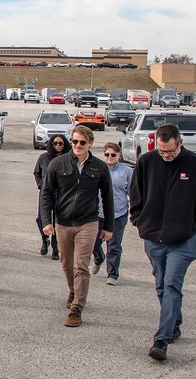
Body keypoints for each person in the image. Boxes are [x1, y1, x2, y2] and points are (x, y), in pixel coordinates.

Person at [130, 124, 196, 361]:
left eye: (170, 151)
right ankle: (174, 322)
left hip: (182, 241)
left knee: (171, 285)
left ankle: (161, 340)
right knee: (160, 284)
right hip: (153, 237)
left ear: (180, 144)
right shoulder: (147, 162)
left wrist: (193, 226)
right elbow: (135, 194)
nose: (166, 155)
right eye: (161, 151)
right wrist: (139, 219)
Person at [40, 125, 113, 328]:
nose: (78, 145)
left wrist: (108, 226)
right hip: (63, 222)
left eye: (82, 142)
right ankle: (73, 290)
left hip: (88, 222)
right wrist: (47, 221)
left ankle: (77, 309)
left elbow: (108, 198)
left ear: (90, 143)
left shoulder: (99, 167)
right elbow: (45, 194)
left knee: (81, 265)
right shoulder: (58, 164)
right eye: (74, 142)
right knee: (66, 264)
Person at [91, 142, 133, 284]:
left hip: (118, 213)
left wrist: (134, 209)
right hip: (99, 213)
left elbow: (132, 192)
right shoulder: (98, 169)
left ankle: (112, 275)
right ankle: (98, 257)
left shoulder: (127, 171)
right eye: (107, 154)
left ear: (119, 155)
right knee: (93, 242)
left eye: (113, 155)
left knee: (114, 245)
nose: (110, 157)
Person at [34, 134, 69, 260]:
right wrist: (40, 185)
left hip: (61, 194)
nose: (58, 146)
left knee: (56, 221)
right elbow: (36, 172)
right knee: (40, 219)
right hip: (46, 193)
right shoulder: (44, 157)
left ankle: (55, 249)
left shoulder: (67, 158)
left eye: (61, 143)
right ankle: (45, 240)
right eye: (55, 143)